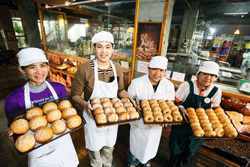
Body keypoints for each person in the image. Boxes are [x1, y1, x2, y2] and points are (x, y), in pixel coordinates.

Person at [71, 31, 137, 167]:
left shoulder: (117, 68)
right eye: (99, 46)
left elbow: (120, 90)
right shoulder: (84, 69)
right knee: (95, 149)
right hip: (92, 115)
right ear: (94, 48)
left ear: (113, 49)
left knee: (109, 146)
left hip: (112, 115)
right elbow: (75, 95)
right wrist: (85, 104)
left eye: (108, 47)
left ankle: (107, 164)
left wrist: (130, 99)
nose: (104, 51)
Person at [4, 47, 79, 167]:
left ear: (48, 66)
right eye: (32, 67)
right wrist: (10, 134)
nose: (39, 72)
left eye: (42, 65)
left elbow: (65, 112)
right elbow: (12, 129)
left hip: (64, 147)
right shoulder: (13, 99)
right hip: (39, 155)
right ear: (22, 70)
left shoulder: (59, 88)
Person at [169, 61, 222, 167]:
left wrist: (223, 115)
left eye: (212, 75)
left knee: (190, 152)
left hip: (200, 129)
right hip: (182, 125)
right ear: (198, 74)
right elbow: (175, 101)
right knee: (176, 150)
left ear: (215, 77)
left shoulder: (216, 91)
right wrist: (181, 107)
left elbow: (216, 107)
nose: (208, 78)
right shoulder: (186, 86)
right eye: (205, 74)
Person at [127, 56, 175, 167]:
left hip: (156, 125)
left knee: (150, 147)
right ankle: (132, 163)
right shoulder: (137, 82)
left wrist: (166, 118)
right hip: (139, 123)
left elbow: (169, 105)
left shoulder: (169, 86)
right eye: (154, 69)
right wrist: (135, 108)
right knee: (135, 147)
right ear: (148, 68)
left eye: (161, 70)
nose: (157, 73)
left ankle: (147, 162)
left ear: (165, 72)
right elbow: (128, 101)